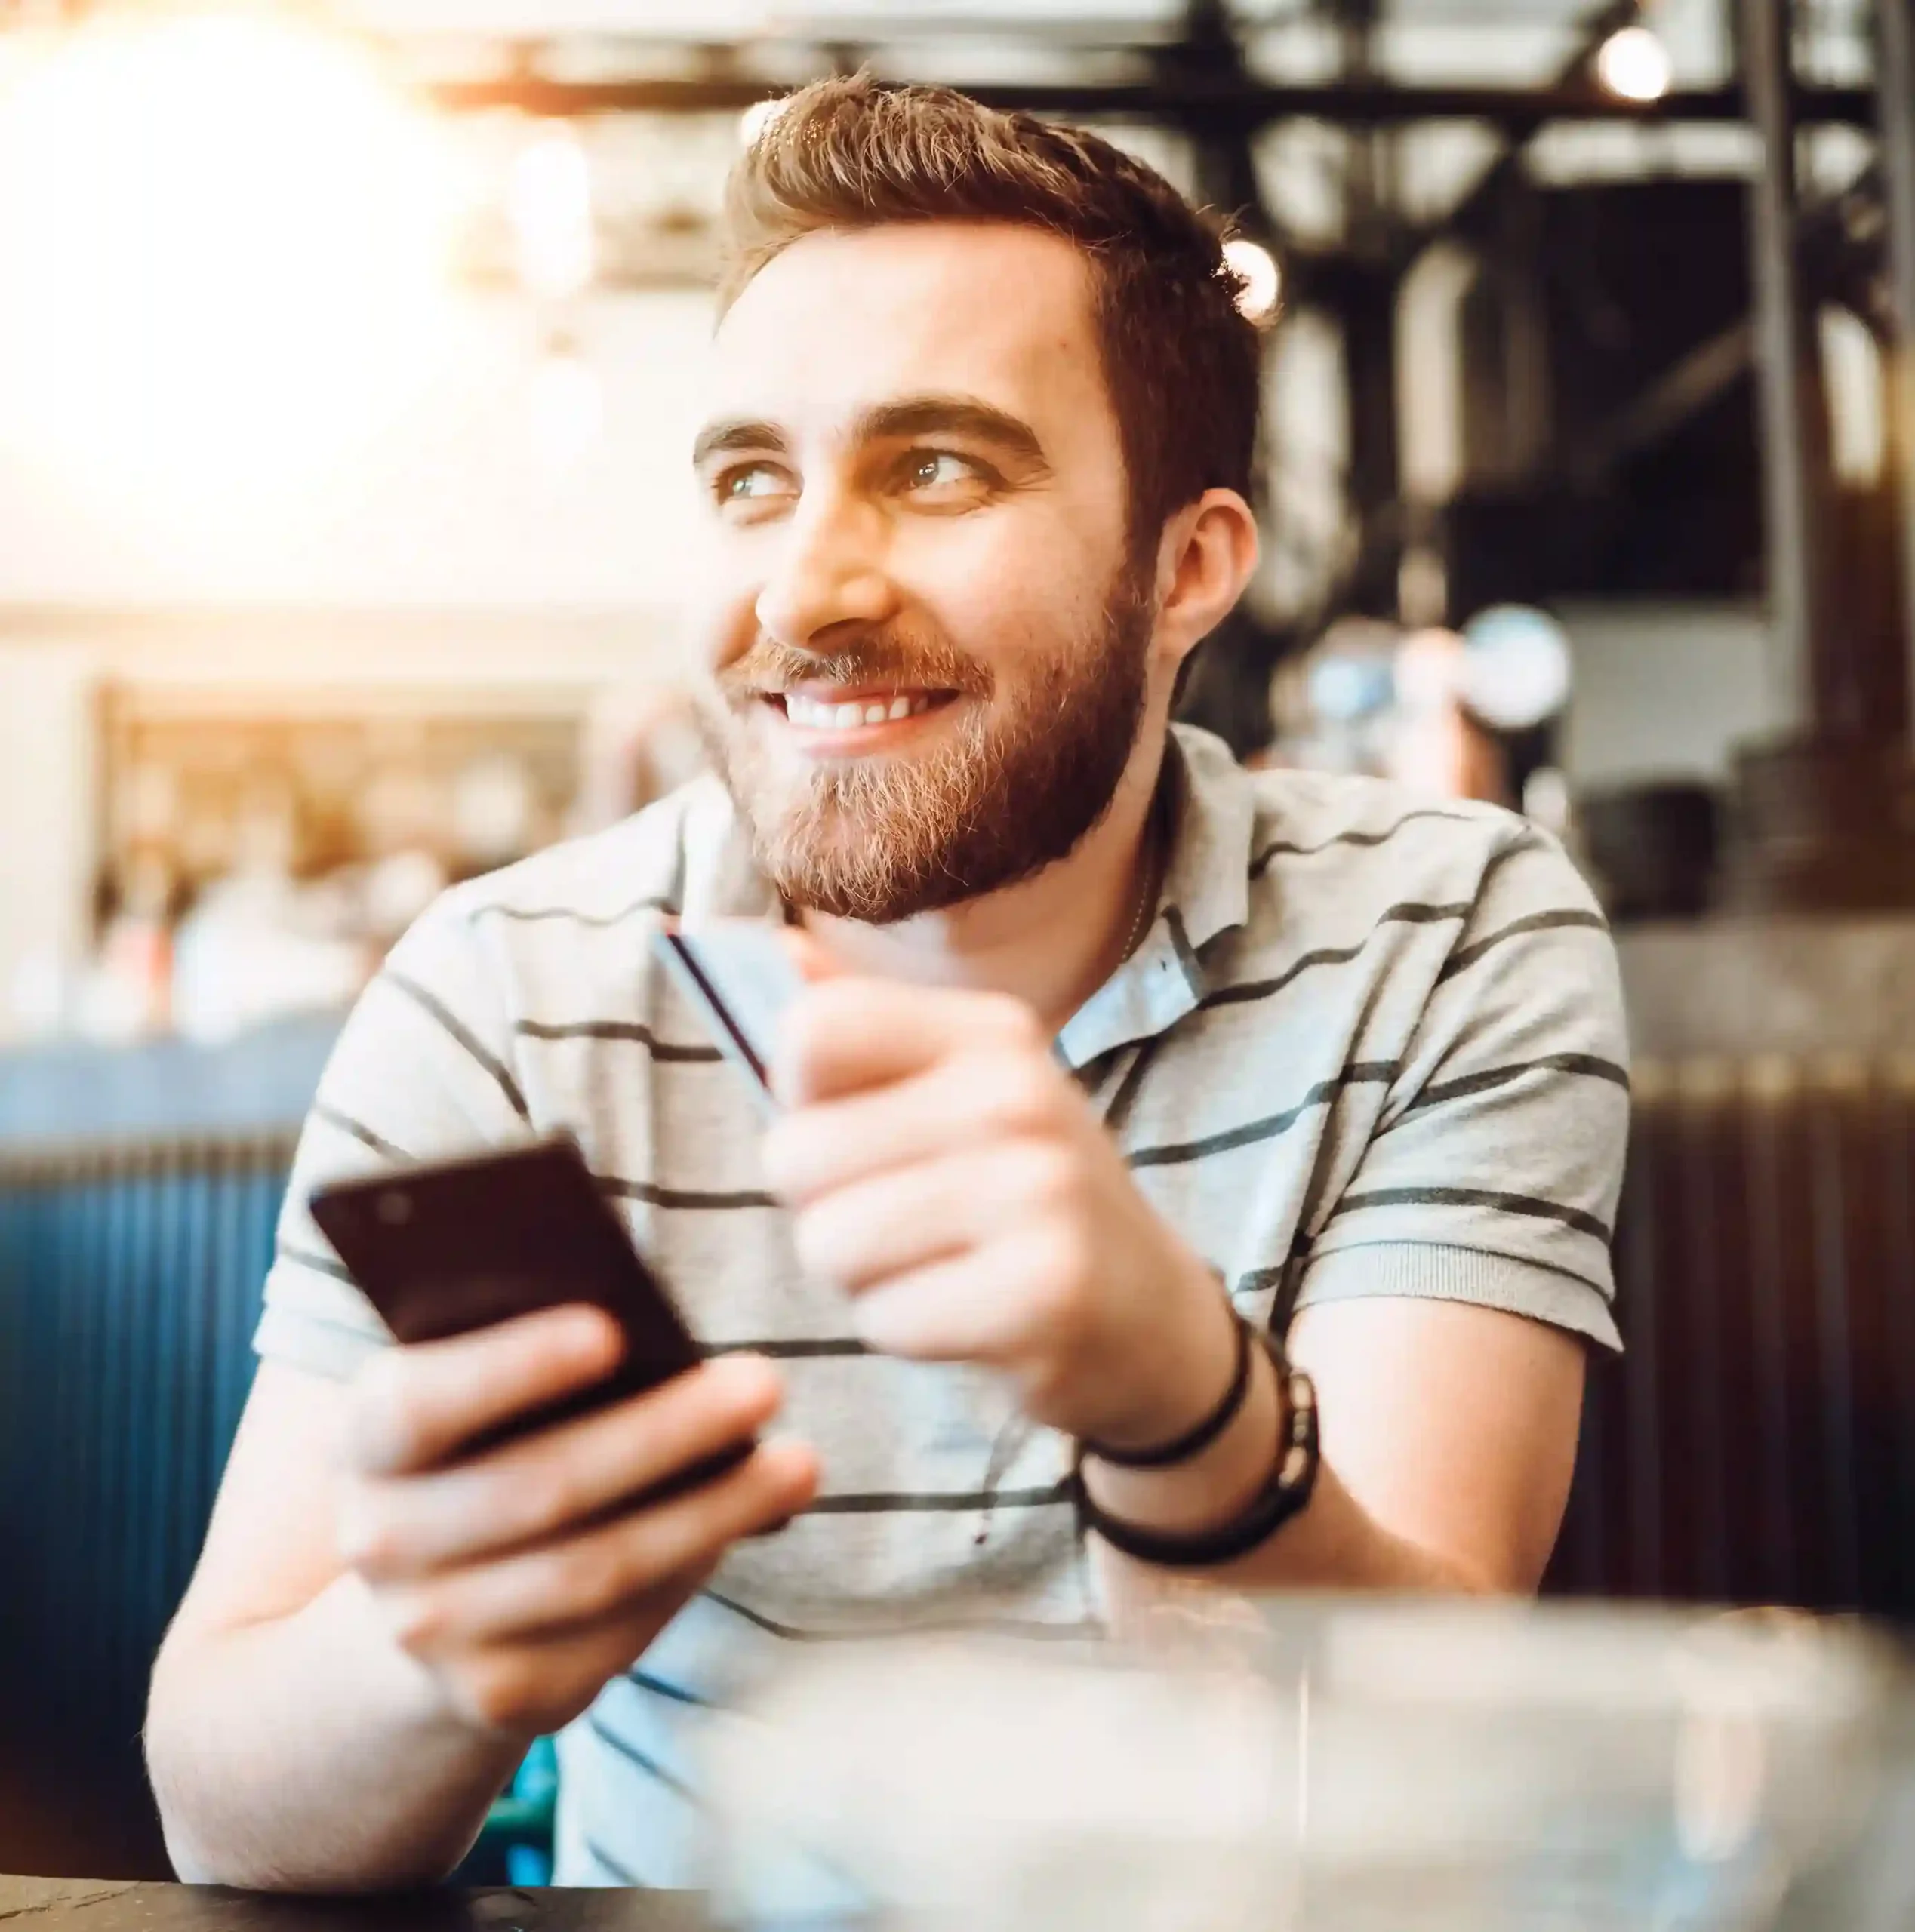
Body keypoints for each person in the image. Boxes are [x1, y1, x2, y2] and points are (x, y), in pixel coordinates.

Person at [146, 75, 1627, 1892]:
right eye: (751, 479)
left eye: (936, 466)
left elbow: (1400, 1776)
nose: (803, 589)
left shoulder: (1447, 933)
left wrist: (1177, 1400)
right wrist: (438, 1651)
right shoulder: (509, 991)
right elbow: (216, 1800)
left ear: (1186, 567)